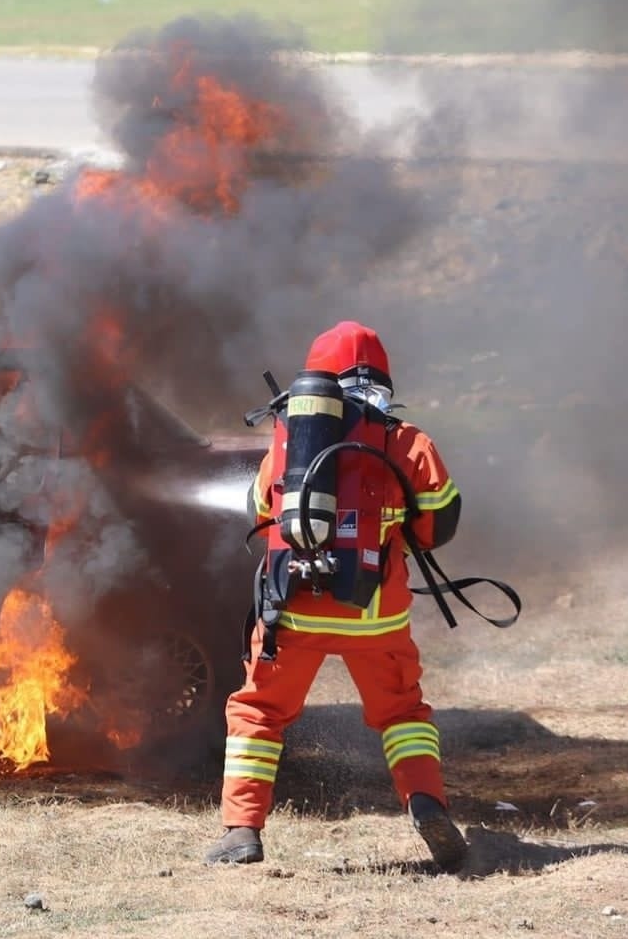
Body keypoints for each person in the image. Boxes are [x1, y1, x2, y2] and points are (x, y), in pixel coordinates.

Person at [205, 321, 469, 871]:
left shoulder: (286, 441)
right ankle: (425, 804)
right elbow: (438, 526)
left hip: (292, 613)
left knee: (258, 712)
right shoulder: (407, 441)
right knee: (402, 712)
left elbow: (258, 511)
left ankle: (241, 832)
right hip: (375, 615)